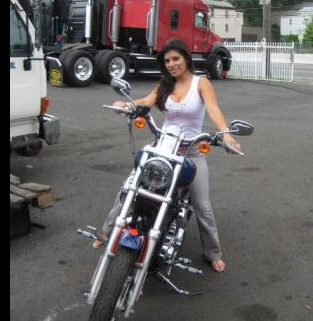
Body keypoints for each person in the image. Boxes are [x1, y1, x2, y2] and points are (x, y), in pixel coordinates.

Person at [93, 38, 241, 273]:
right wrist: (127, 105)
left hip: (191, 151)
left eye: (175, 59)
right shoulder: (165, 85)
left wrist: (226, 134)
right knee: (130, 188)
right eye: (167, 61)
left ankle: (213, 253)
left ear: (186, 59)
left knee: (202, 205)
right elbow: (146, 101)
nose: (171, 64)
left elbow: (213, 109)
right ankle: (107, 232)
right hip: (163, 148)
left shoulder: (201, 83)